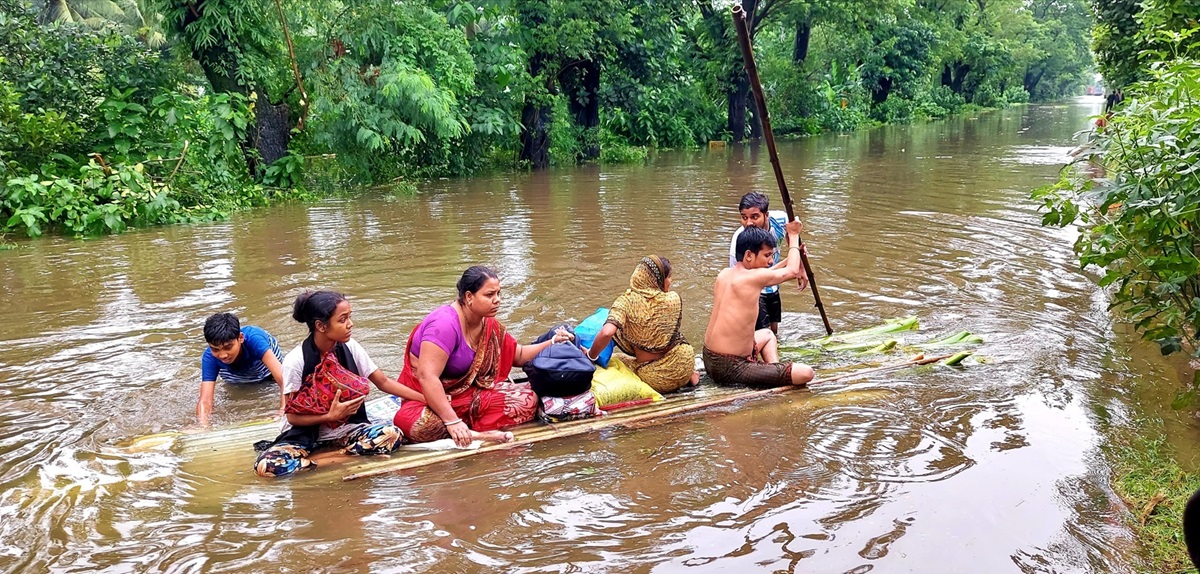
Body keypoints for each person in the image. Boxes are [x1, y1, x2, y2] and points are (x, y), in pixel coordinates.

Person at [394, 266, 573, 446]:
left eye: (498, 293)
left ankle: (466, 429)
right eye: (489, 295)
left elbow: (517, 355)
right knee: (420, 426)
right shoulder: (444, 324)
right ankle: (472, 431)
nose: (497, 300)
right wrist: (452, 421)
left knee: (526, 401)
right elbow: (427, 376)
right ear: (469, 297)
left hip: (465, 397)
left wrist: (552, 342)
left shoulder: (487, 323)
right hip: (425, 399)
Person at [253, 290, 424, 478]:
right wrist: (330, 416)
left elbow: (383, 382)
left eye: (349, 317)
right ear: (321, 326)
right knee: (266, 467)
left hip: (346, 429)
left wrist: (427, 398)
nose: (350, 324)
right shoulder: (295, 361)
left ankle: (326, 458)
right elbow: (292, 417)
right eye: (342, 320)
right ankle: (339, 457)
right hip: (302, 434)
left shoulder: (351, 347)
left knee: (392, 434)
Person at [705, 224, 816, 388]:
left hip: (709, 358)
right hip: (731, 367)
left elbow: (767, 276)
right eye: (767, 255)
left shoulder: (725, 274)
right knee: (807, 373)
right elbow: (791, 271)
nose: (771, 261)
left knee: (768, 334)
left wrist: (795, 255)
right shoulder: (752, 279)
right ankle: (776, 377)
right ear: (749, 255)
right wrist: (793, 235)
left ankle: (773, 373)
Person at [586, 256, 700, 393]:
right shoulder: (672, 300)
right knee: (670, 337)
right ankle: (690, 377)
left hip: (654, 377)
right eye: (669, 277)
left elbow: (606, 332)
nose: (671, 281)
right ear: (658, 280)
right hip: (683, 364)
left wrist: (590, 356)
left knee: (616, 358)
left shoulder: (625, 302)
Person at [728, 192, 807, 335]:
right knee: (764, 333)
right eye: (744, 218)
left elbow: (793, 231)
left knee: (774, 331)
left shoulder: (781, 220)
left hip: (773, 285)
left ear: (766, 215)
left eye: (755, 217)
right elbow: (739, 279)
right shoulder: (740, 241)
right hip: (755, 292)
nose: (749, 223)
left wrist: (801, 266)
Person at [196, 313, 285, 427]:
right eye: (215, 349)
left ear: (241, 338)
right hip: (236, 379)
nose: (222, 355)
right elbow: (205, 400)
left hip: (266, 372)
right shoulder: (209, 357)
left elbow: (284, 381)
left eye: (228, 347)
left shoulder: (255, 340)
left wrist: (283, 412)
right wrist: (203, 426)